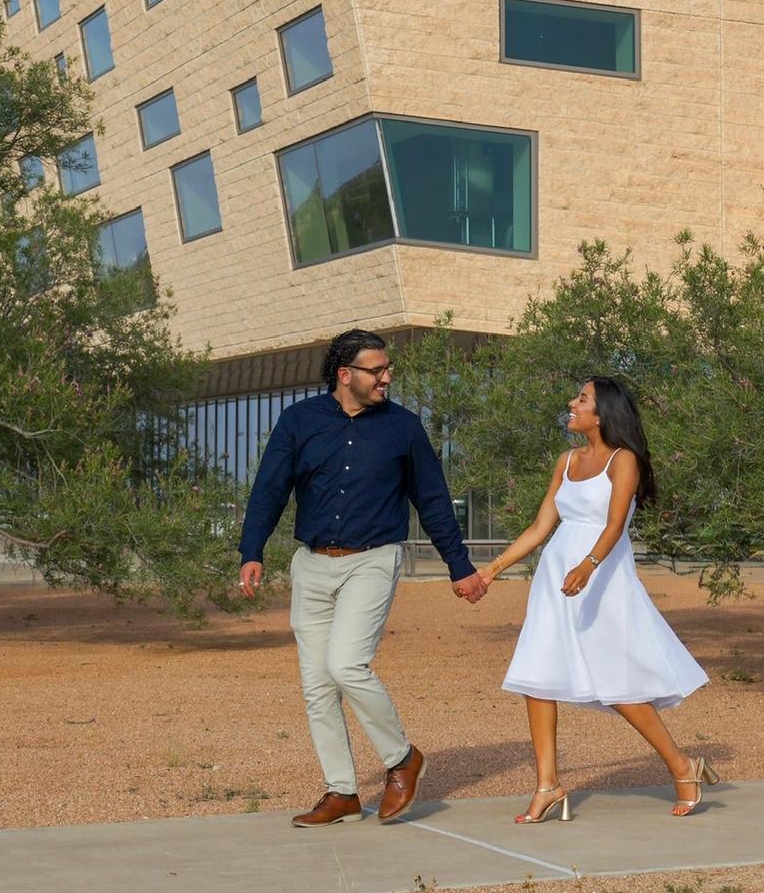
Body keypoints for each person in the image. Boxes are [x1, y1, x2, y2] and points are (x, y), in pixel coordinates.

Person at [238, 328, 489, 828]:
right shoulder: (299, 421)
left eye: (387, 369)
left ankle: (402, 758)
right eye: (376, 370)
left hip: (372, 559)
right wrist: (252, 550)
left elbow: (432, 500)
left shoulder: (404, 428)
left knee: (346, 664)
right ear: (344, 374)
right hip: (312, 563)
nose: (386, 378)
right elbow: (270, 489)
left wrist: (459, 566)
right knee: (317, 685)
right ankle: (342, 793)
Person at [480, 376, 715, 823]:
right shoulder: (566, 460)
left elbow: (614, 525)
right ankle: (547, 785)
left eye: (582, 398)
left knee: (619, 686)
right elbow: (540, 526)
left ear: (602, 413)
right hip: (556, 579)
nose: (572, 403)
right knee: (536, 675)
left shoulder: (624, 461)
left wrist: (588, 565)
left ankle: (683, 767)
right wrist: (492, 571)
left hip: (601, 580)